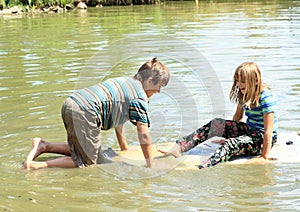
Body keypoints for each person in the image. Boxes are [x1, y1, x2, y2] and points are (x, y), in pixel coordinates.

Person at [24, 58, 170, 169]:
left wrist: (124, 148)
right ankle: (39, 166)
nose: (158, 91)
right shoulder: (139, 97)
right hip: (85, 111)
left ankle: (44, 145)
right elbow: (143, 134)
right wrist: (150, 165)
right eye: (159, 86)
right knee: (88, 162)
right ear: (150, 81)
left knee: (87, 150)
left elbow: (119, 120)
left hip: (72, 103)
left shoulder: (125, 82)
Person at [159, 62, 278, 169]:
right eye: (237, 80)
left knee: (230, 145)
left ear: (255, 81)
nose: (238, 84)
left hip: (263, 138)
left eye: (242, 81)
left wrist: (264, 156)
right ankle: (180, 147)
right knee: (216, 124)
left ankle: (205, 166)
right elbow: (237, 117)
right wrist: (230, 135)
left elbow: (268, 131)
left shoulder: (265, 97)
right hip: (250, 131)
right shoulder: (244, 94)